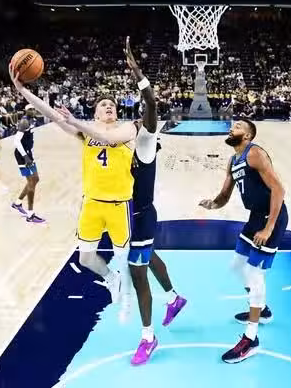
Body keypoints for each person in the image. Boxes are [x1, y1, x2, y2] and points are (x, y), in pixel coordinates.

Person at [9, 42, 138, 309]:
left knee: (123, 257)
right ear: (95, 112)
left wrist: (75, 122)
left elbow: (107, 138)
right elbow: (51, 115)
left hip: (119, 204)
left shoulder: (127, 129)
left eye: (112, 105)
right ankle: (111, 278)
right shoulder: (85, 132)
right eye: (103, 105)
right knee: (85, 258)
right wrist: (22, 90)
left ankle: (127, 298)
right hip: (91, 203)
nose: (108, 107)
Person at [118, 39, 186, 365]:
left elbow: (151, 104)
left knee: (137, 273)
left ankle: (148, 337)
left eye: (138, 122)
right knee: (149, 257)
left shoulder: (145, 145)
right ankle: (173, 298)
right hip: (130, 216)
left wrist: (137, 72)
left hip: (142, 217)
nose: (134, 123)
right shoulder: (124, 149)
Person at [199, 119, 288, 364]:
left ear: (247, 136)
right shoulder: (233, 160)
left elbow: (279, 190)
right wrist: (213, 204)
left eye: (237, 126)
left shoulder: (255, 153)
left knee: (253, 273)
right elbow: (225, 194)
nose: (231, 128)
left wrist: (269, 228)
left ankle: (251, 338)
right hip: (255, 217)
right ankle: (263, 309)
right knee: (237, 266)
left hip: (271, 218)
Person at [11, 105, 44, 223]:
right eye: (30, 109)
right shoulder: (24, 122)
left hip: (28, 153)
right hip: (22, 155)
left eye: (34, 109)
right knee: (31, 181)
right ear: (26, 111)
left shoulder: (32, 119)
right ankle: (30, 215)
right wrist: (25, 157)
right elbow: (16, 141)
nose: (33, 111)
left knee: (35, 179)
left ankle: (17, 203)